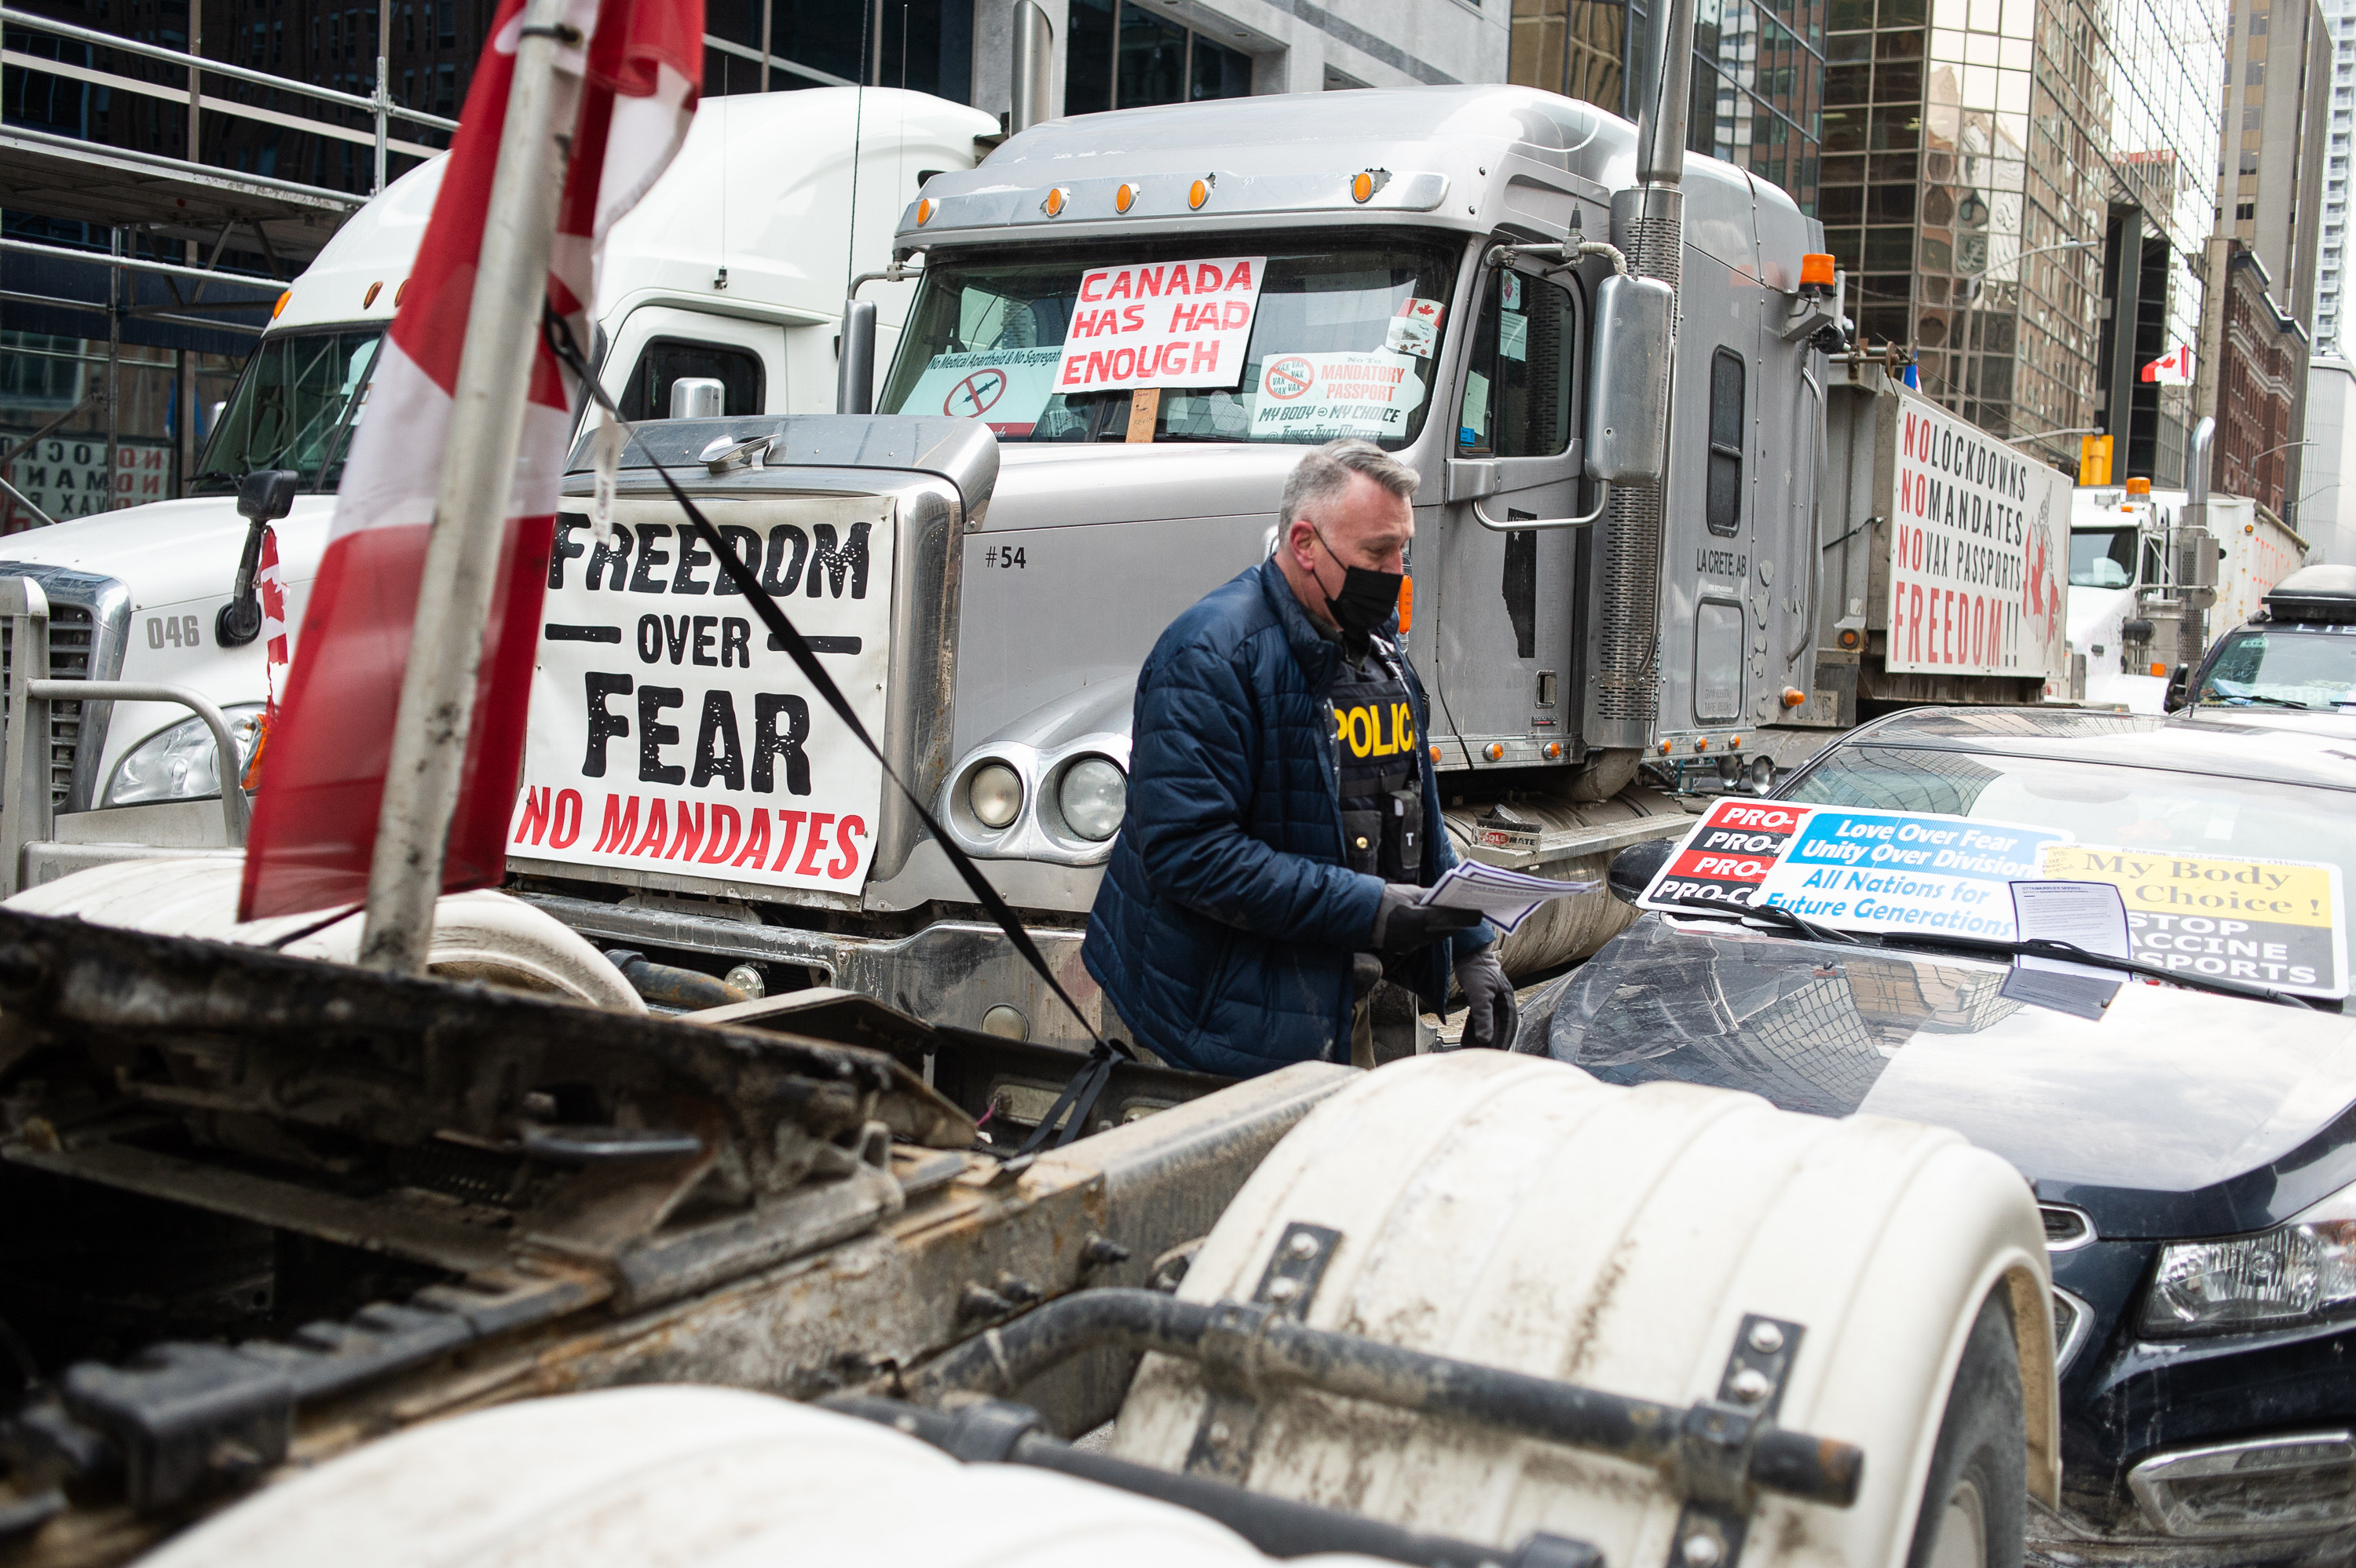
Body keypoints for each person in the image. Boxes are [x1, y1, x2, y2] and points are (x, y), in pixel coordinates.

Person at [1081, 439, 1517, 1077]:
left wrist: (1474, 946)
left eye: (1404, 548)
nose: (1397, 570)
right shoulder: (1211, 656)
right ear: (1305, 543)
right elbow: (1189, 853)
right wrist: (1367, 907)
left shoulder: (1375, 648)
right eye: (1376, 551)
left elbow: (1407, 799)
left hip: (1329, 1004)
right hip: (1218, 1024)